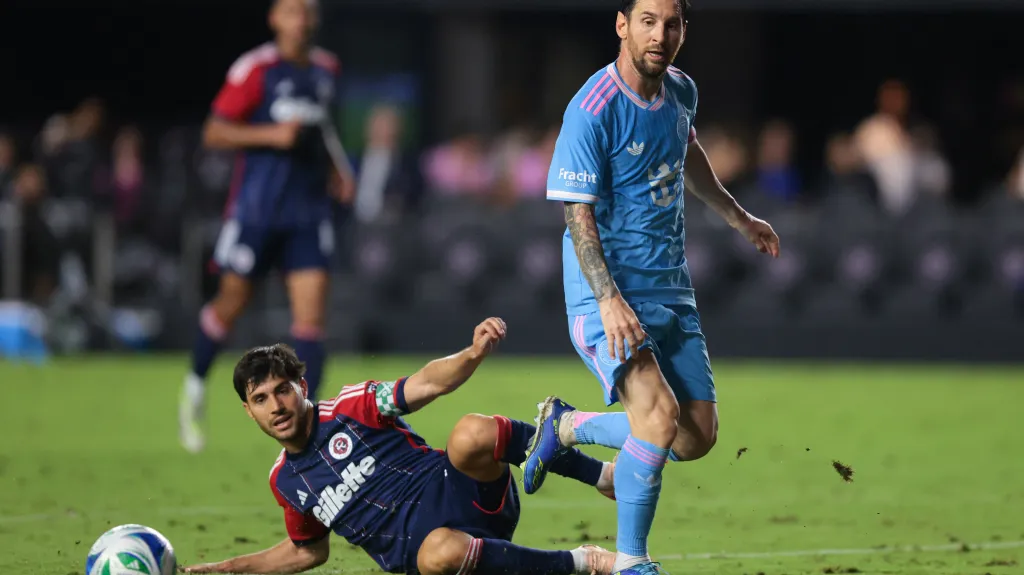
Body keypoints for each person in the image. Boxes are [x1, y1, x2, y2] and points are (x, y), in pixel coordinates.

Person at [525, 1, 781, 574]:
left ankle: (566, 425)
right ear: (622, 25)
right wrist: (609, 300)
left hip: (671, 288)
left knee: (695, 437)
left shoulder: (682, 91)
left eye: (671, 24)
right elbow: (576, 215)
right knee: (657, 419)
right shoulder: (593, 108)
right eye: (647, 21)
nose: (659, 34)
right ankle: (631, 563)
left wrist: (739, 216)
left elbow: (687, 152)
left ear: (684, 30)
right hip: (606, 293)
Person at [179, 318, 617, 575]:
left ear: (303, 386)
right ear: (249, 411)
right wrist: (225, 569)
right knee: (438, 553)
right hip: (432, 554)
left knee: (468, 432)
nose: (276, 406)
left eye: (283, 390)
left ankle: (603, 476)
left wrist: (474, 352)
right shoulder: (286, 482)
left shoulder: (353, 405)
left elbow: (426, 382)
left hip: (467, 495)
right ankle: (584, 562)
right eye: (261, 399)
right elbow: (308, 548)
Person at [179, 0, 356, 453]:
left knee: (311, 320)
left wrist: (338, 167)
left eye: (309, 12)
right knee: (231, 304)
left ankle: (305, 435)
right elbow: (215, 130)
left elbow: (324, 127)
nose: (303, 19)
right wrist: (270, 136)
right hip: (256, 213)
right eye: (293, 11)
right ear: (275, 18)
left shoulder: (326, 68)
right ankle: (195, 390)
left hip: (307, 213)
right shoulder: (255, 69)